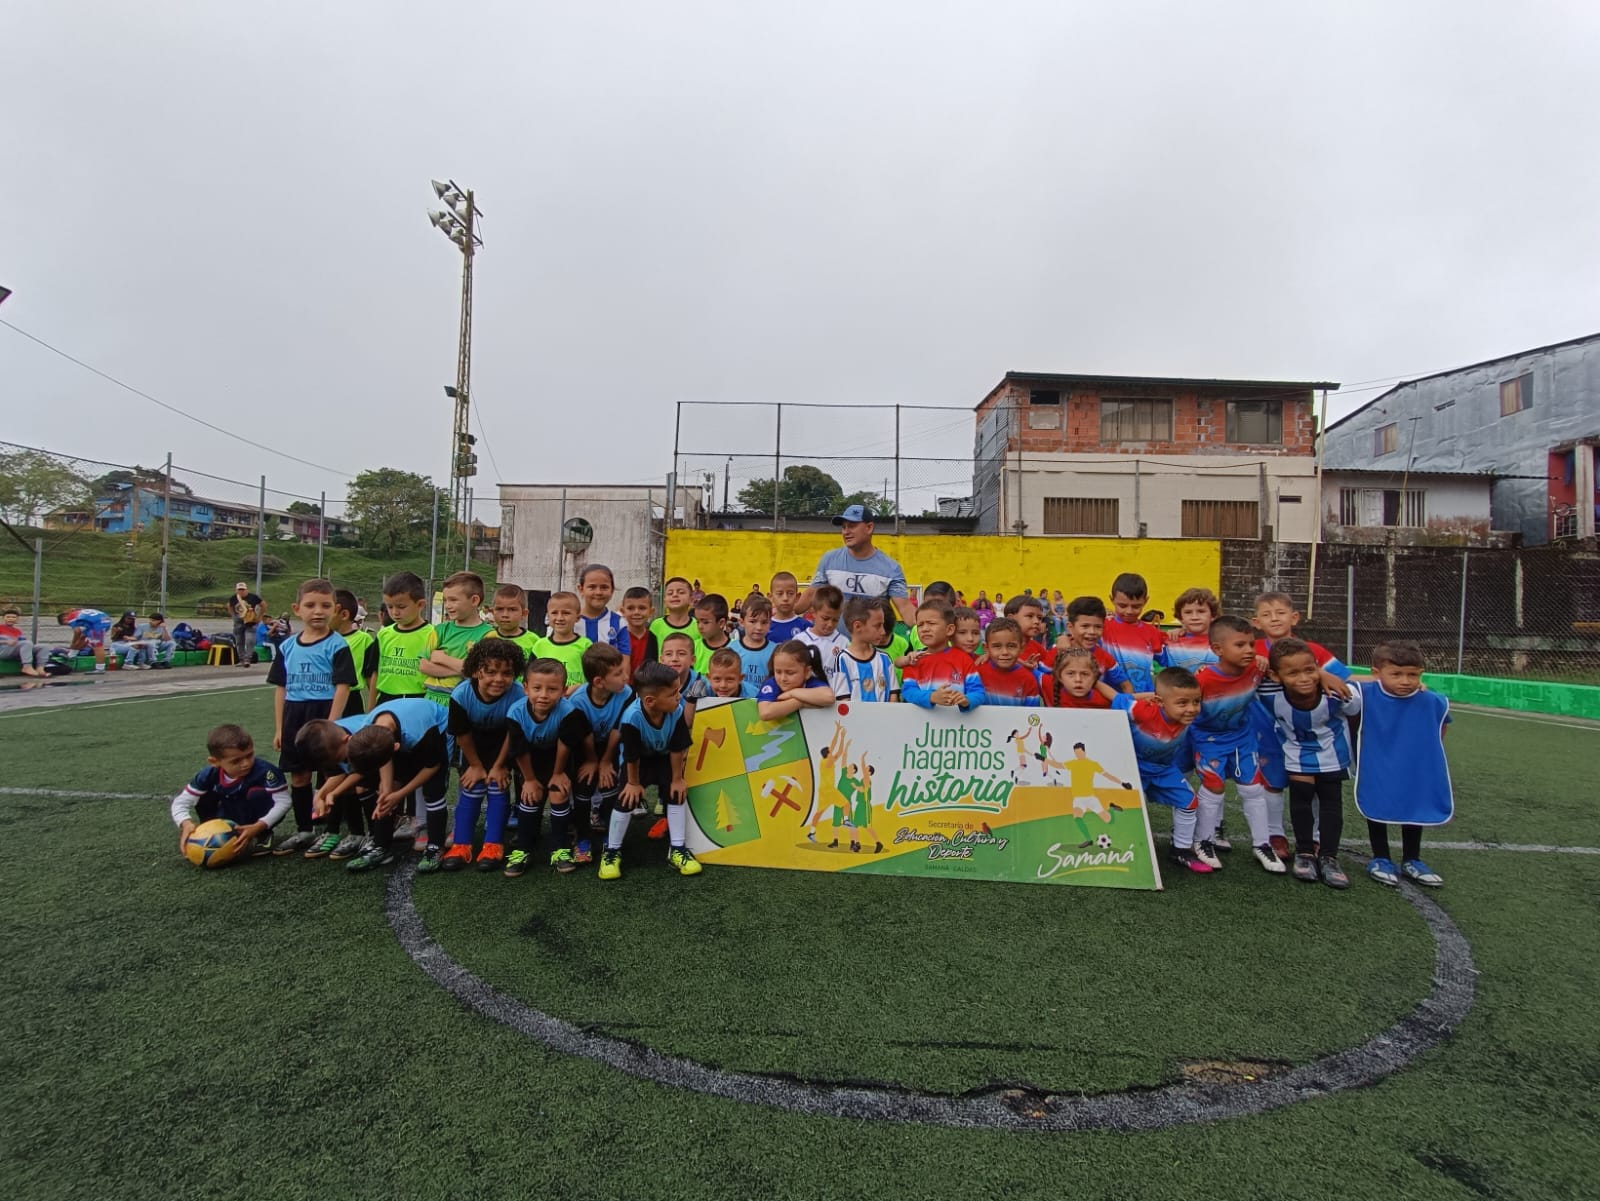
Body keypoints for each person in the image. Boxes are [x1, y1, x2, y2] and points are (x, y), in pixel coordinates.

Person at [1251, 591, 1353, 861]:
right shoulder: (1253, 650)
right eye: (1266, 614)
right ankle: (1276, 835)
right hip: (1268, 729)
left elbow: (1346, 681)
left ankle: (1317, 839)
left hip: (1306, 732)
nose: (1274, 619)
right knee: (1271, 782)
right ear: (1256, 622)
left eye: (1280, 613)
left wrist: (1322, 672)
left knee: (1316, 784)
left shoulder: (1314, 651)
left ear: (1294, 617)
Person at [301, 698, 450, 873]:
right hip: (400, 735)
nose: (344, 762)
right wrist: (387, 789)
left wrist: (401, 794)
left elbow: (432, 767)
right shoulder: (370, 734)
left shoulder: (420, 734)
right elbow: (383, 759)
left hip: (437, 729)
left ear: (396, 747)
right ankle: (381, 846)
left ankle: (435, 846)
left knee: (433, 791)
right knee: (385, 792)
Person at [267, 579, 355, 856]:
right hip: (295, 714)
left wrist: (332, 723)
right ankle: (304, 830)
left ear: (336, 610)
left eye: (325, 605)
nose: (318, 611)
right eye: (310, 605)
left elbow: (343, 686)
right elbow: (281, 688)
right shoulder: (287, 647)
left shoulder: (337, 645)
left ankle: (336, 831)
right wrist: (280, 727)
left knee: (333, 775)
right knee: (300, 776)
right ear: (297, 609)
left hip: (324, 714)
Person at [1265, 637, 1361, 889]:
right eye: (1293, 673)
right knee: (1301, 801)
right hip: (1297, 754)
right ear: (1277, 676)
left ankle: (1329, 857)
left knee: (1331, 803)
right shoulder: (1270, 693)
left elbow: (1354, 708)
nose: (1304, 678)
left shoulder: (1334, 692)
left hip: (1333, 755)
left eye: (1309, 670)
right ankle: (1305, 853)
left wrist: (1326, 676)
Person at [1355, 641, 1452, 889]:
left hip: (1415, 764)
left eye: (1412, 675)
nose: (1405, 681)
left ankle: (1412, 859)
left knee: (1414, 804)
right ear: (1376, 673)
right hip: (1379, 760)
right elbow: (1329, 679)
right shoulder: (1364, 692)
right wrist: (1370, 682)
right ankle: (1381, 857)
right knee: (1378, 803)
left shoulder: (1432, 700)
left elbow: (1441, 726)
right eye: (1396, 674)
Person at [434, 638, 528, 873]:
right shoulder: (461, 694)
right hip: (472, 745)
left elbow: (511, 734)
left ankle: (493, 844)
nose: (499, 679)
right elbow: (462, 734)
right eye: (491, 672)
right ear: (476, 671)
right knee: (472, 786)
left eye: (507, 673)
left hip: (503, 745)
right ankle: (461, 845)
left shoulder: (517, 695)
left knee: (498, 784)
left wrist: (499, 765)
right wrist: (474, 765)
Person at [1190, 615, 1273, 873]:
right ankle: (1203, 840)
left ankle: (1262, 844)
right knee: (1214, 786)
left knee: (1253, 788)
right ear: (1217, 649)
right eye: (1240, 645)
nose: (1249, 650)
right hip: (1209, 740)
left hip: (1242, 739)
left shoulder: (1258, 668)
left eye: (1251, 644)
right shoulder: (1203, 680)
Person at [1113, 666, 1210, 873]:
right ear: (1159, 703)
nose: (1191, 708)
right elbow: (1116, 699)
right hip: (1132, 768)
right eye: (1182, 703)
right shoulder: (1143, 712)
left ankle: (1181, 850)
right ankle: (1116, 846)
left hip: (1163, 770)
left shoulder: (1187, 717)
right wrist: (1095, 683)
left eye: (1196, 701)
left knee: (1189, 801)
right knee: (1123, 808)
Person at [498, 658, 588, 878]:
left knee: (558, 795)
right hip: (530, 759)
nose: (544, 695)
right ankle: (523, 847)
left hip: (559, 758)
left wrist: (558, 774)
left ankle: (560, 847)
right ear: (526, 688)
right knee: (530, 797)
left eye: (552, 689)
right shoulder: (515, 712)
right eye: (537, 688)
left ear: (564, 690)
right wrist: (529, 779)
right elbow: (519, 749)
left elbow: (565, 745)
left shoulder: (569, 712)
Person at [608, 662, 698, 879]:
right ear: (650, 701)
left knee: (676, 793)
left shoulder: (675, 711)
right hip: (639, 762)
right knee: (626, 799)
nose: (679, 697)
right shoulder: (632, 718)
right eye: (673, 693)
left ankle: (677, 849)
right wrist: (633, 783)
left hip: (665, 759)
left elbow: (677, 748)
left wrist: (677, 779)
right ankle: (611, 851)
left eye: (679, 691)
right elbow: (632, 755)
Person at [169, 722, 290, 862]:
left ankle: (263, 834)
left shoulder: (266, 771)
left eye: (249, 755)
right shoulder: (207, 775)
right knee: (203, 794)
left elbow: (284, 801)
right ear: (214, 761)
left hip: (256, 818)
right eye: (236, 761)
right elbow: (181, 802)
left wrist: (260, 825)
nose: (246, 763)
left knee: (258, 793)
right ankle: (212, 833)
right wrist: (185, 823)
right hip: (227, 815)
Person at [565, 643, 632, 861]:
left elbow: (617, 730)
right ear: (598, 682)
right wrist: (593, 760)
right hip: (585, 749)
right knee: (583, 787)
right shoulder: (577, 701)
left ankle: (610, 836)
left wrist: (605, 761)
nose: (625, 676)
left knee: (610, 783)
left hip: (610, 747)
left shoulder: (627, 693)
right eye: (618, 673)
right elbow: (584, 735)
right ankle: (582, 838)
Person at [799, 504, 916, 627]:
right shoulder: (829, 560)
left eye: (852, 526)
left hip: (871, 645)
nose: (846, 532)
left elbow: (905, 608)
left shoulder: (891, 569)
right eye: (844, 527)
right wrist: (784, 612)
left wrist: (926, 626)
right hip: (834, 645)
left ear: (869, 528)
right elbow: (811, 595)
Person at [419, 570, 488, 709]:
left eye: (453, 600)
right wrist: (464, 669)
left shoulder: (487, 635)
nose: (448, 605)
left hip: (465, 700)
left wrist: (443, 659)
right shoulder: (439, 630)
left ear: (474, 600)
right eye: (446, 600)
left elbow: (481, 673)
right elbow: (424, 666)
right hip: (431, 697)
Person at [900, 601, 981, 710]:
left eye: (931, 623)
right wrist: (931, 697)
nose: (924, 629)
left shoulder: (964, 659)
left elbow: (978, 692)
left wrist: (967, 700)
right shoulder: (914, 660)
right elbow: (908, 692)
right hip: (922, 725)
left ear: (949, 630)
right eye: (920, 625)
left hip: (958, 726)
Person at [1099, 572, 1168, 694]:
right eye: (1122, 605)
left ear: (1146, 601)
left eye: (1136, 606)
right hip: (1110, 698)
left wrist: (1182, 632)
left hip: (1143, 699)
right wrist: (1064, 639)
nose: (1129, 611)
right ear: (1112, 599)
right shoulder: (1103, 627)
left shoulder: (1151, 632)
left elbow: (1171, 659)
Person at [375, 571, 436, 707]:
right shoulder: (383, 634)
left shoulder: (433, 634)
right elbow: (374, 673)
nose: (395, 612)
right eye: (389, 607)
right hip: (385, 700)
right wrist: (371, 705)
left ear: (420, 604)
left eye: (401, 607)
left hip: (419, 700)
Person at [830, 598, 898, 704]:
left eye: (883, 625)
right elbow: (843, 702)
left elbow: (893, 697)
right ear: (858, 626)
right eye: (877, 626)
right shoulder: (842, 659)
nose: (883, 631)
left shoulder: (885, 659)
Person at [756, 641, 835, 721]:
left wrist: (791, 693)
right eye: (778, 672)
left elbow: (829, 697)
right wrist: (800, 702)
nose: (783, 678)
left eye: (790, 673)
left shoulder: (812, 683)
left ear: (807, 672)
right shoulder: (772, 684)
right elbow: (765, 713)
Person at [973, 617, 1041, 707]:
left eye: (1011, 646)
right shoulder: (976, 674)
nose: (1004, 652)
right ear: (986, 648)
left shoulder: (1028, 680)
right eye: (997, 646)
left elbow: (1031, 716)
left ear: (1021, 648)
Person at [333, 590, 377, 714]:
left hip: (351, 699)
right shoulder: (324, 639)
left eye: (328, 609)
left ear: (344, 614)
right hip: (325, 697)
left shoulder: (364, 640)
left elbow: (370, 676)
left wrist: (372, 706)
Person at [540, 591, 593, 690]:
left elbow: (594, 679)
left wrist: (578, 688)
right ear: (548, 616)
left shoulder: (586, 645)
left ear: (577, 617)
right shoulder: (539, 645)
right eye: (554, 613)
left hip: (577, 701)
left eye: (566, 613)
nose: (560, 618)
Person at [575, 563, 630, 656]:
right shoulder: (569, 621)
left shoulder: (620, 623)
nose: (598, 592)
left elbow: (624, 663)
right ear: (581, 589)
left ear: (612, 590)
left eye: (604, 587)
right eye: (592, 587)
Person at [796, 584, 849, 679]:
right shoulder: (800, 641)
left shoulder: (844, 643)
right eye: (825, 618)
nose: (830, 624)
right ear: (813, 612)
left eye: (835, 620)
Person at [483, 583, 545, 661]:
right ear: (492, 612)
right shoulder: (488, 638)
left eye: (512, 609)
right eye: (500, 609)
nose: (505, 615)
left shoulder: (534, 641)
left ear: (524, 613)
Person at [661, 631, 710, 722]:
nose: (674, 659)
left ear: (692, 660)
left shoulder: (700, 683)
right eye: (669, 654)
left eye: (681, 654)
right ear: (662, 660)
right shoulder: (655, 683)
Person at [649, 577, 702, 661]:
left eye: (681, 592)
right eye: (670, 593)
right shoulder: (656, 625)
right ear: (665, 601)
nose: (675, 595)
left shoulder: (698, 625)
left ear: (691, 600)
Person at [1044, 647, 1113, 710]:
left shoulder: (1106, 701)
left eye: (1085, 674)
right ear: (1059, 677)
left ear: (1094, 677)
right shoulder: (1048, 686)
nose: (1078, 679)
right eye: (1070, 673)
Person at [734, 594, 774, 694]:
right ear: (742, 622)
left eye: (764, 622)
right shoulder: (731, 650)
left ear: (770, 623)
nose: (759, 627)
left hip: (766, 704)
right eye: (753, 621)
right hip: (736, 704)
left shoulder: (776, 651)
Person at [59, 606, 111, 672]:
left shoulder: (71, 617)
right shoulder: (80, 613)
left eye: (65, 623)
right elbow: (82, 636)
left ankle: (100, 668)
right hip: (102, 620)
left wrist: (72, 645)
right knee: (83, 637)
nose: (68, 624)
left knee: (97, 645)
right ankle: (71, 655)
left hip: (98, 623)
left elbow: (77, 632)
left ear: (65, 617)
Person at [0, 607, 50, 675]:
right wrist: (6, 642)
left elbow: (24, 643)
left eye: (13, 617)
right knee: (26, 643)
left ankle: (40, 669)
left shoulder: (18, 631)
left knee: (44, 647)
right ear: (3, 618)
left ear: (17, 619)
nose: (11, 619)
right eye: (8, 617)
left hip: (16, 651)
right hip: (3, 651)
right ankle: (27, 667)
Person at [692, 593, 734, 673]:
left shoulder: (736, 649)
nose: (700, 626)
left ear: (721, 623)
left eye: (705, 622)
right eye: (698, 621)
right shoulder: (693, 647)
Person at [619, 586, 656, 676]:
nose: (636, 612)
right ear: (623, 611)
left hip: (647, 687)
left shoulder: (654, 638)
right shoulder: (618, 638)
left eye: (642, 608)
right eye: (630, 608)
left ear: (651, 611)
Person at [227, 582, 264, 669]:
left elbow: (263, 604)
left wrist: (259, 617)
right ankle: (241, 659)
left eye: (243, 589)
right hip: (239, 620)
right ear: (236, 590)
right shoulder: (234, 598)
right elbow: (229, 606)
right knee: (239, 640)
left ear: (246, 589)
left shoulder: (253, 597)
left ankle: (248, 658)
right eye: (239, 590)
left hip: (250, 620)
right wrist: (233, 616)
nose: (241, 591)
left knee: (250, 639)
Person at [767, 572, 810, 643]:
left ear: (797, 597)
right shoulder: (765, 627)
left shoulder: (806, 626)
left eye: (790, 593)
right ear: (771, 597)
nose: (785, 598)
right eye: (780, 594)